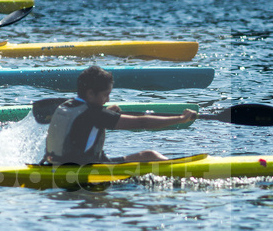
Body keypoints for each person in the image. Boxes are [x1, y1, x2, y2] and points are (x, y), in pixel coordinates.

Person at [42, 66, 198, 165]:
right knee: (152, 156)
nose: (108, 99)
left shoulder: (66, 106)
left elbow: (81, 126)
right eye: (105, 95)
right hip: (85, 168)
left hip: (57, 164)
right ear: (90, 93)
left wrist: (107, 112)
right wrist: (181, 119)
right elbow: (141, 123)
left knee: (148, 155)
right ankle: (180, 171)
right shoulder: (94, 114)